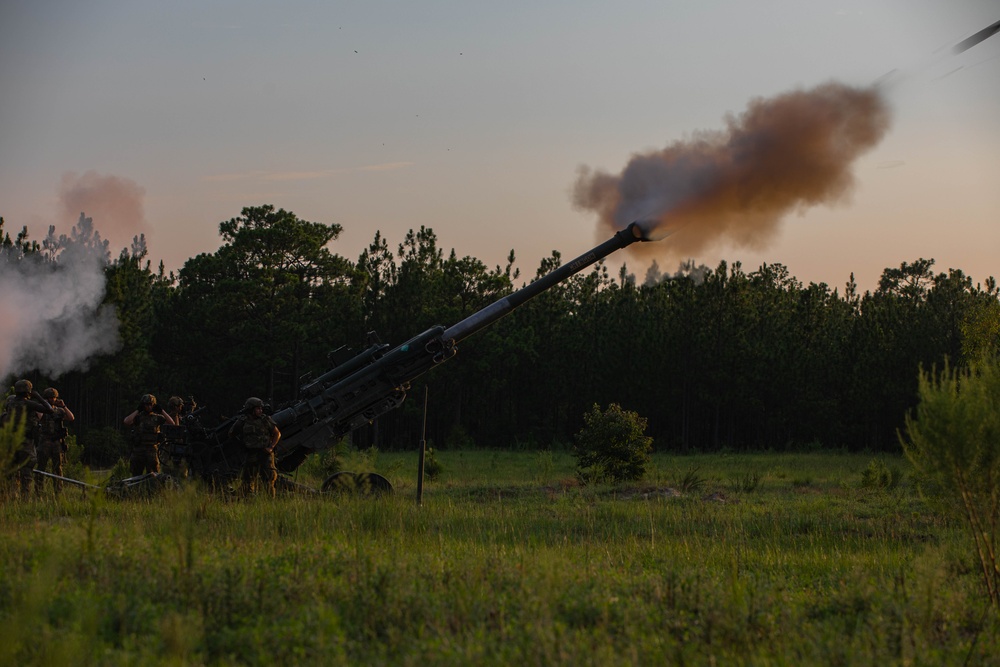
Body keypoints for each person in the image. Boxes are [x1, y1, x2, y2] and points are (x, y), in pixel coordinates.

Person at [1, 379, 54, 499]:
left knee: (11, 471)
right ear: (28, 391)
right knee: (26, 471)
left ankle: (8, 497)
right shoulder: (28, 404)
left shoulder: (10, 404)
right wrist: (38, 396)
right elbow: (49, 410)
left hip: (12, 442)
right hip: (26, 442)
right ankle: (25, 500)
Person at [228, 397, 280, 497]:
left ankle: (270, 503)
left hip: (265, 454)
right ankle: (247, 500)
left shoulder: (265, 420)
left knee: (269, 479)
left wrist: (271, 447)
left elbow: (277, 434)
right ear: (251, 409)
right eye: (258, 409)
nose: (260, 411)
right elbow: (231, 434)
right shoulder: (242, 421)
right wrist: (242, 445)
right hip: (250, 454)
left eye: (261, 408)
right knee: (247, 480)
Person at [35, 387, 75, 496]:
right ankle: (39, 492)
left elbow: (71, 418)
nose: (52, 400)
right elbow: (40, 417)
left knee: (57, 468)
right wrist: (44, 405)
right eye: (49, 398)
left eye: (53, 398)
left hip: (56, 442)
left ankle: (58, 492)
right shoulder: (40, 409)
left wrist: (63, 406)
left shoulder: (59, 411)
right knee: (41, 468)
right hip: (44, 442)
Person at [123, 394, 175, 476]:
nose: (149, 407)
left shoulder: (157, 418)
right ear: (143, 405)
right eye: (146, 404)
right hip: (138, 451)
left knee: (153, 476)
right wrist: (137, 410)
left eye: (151, 404)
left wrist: (161, 410)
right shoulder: (138, 417)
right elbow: (126, 421)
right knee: (136, 475)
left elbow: (172, 423)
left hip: (152, 450)